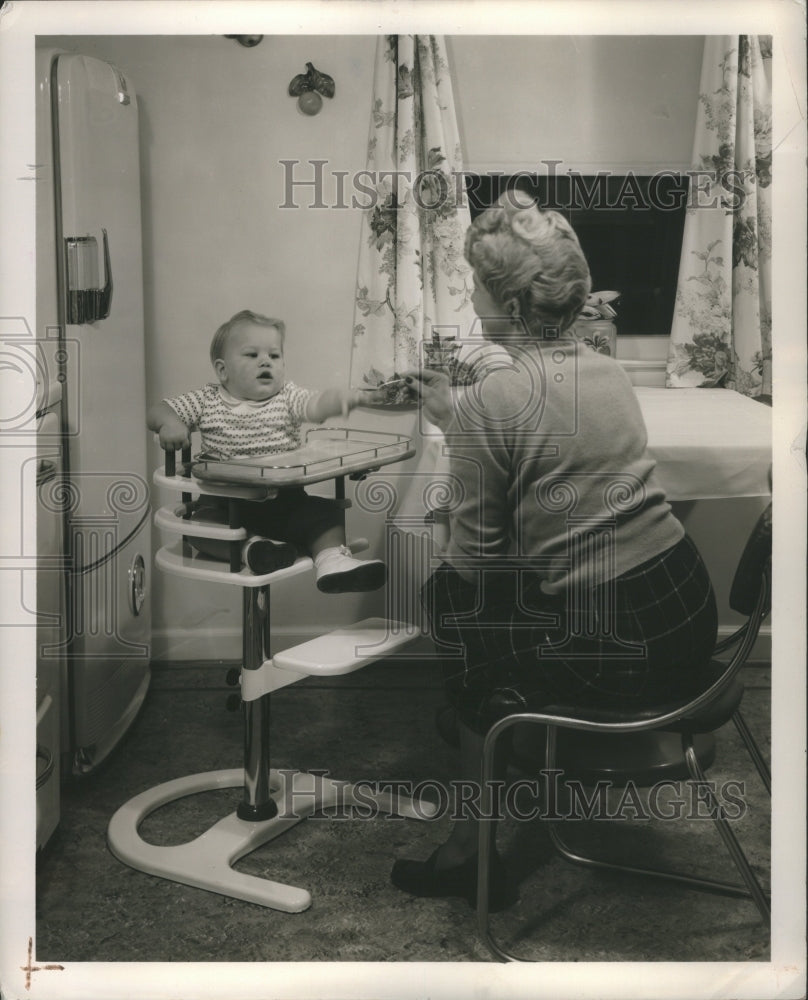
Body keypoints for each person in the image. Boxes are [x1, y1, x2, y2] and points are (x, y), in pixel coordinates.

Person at [390, 190, 718, 910]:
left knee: (451, 602)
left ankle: (469, 847)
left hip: (618, 652)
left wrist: (464, 433)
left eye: (476, 280)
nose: (470, 293)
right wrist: (464, 421)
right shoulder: (608, 373)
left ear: (501, 300)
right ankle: (491, 729)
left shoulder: (495, 400)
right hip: (687, 612)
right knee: (488, 609)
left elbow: (478, 562)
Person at [147, 309, 386, 593]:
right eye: (251, 355)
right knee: (200, 529)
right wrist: (171, 423)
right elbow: (158, 411)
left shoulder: (287, 397)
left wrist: (340, 400)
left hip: (286, 503)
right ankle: (255, 550)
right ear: (222, 370)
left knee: (325, 514)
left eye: (274, 356)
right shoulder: (206, 400)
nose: (265, 361)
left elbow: (315, 405)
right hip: (224, 505)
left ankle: (333, 562)